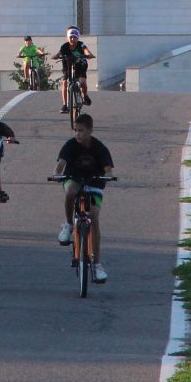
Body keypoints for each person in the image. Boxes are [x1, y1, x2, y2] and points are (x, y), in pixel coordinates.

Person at [55, 112, 115, 284]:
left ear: (90, 130)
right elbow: (61, 164)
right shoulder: (70, 145)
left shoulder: (99, 147)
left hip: (94, 183)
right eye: (75, 130)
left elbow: (108, 168)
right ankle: (68, 224)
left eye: (81, 130)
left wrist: (109, 175)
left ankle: (97, 265)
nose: (77, 134)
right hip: (74, 179)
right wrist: (57, 174)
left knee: (94, 216)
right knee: (71, 191)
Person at [56, 27, 94, 113]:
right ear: (68, 38)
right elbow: (59, 53)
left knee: (83, 83)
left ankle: (85, 96)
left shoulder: (81, 44)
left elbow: (86, 51)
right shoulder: (64, 46)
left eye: (75, 37)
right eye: (71, 37)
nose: (73, 39)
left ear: (78, 37)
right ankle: (65, 105)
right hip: (68, 66)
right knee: (65, 82)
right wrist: (56, 56)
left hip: (80, 65)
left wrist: (89, 55)